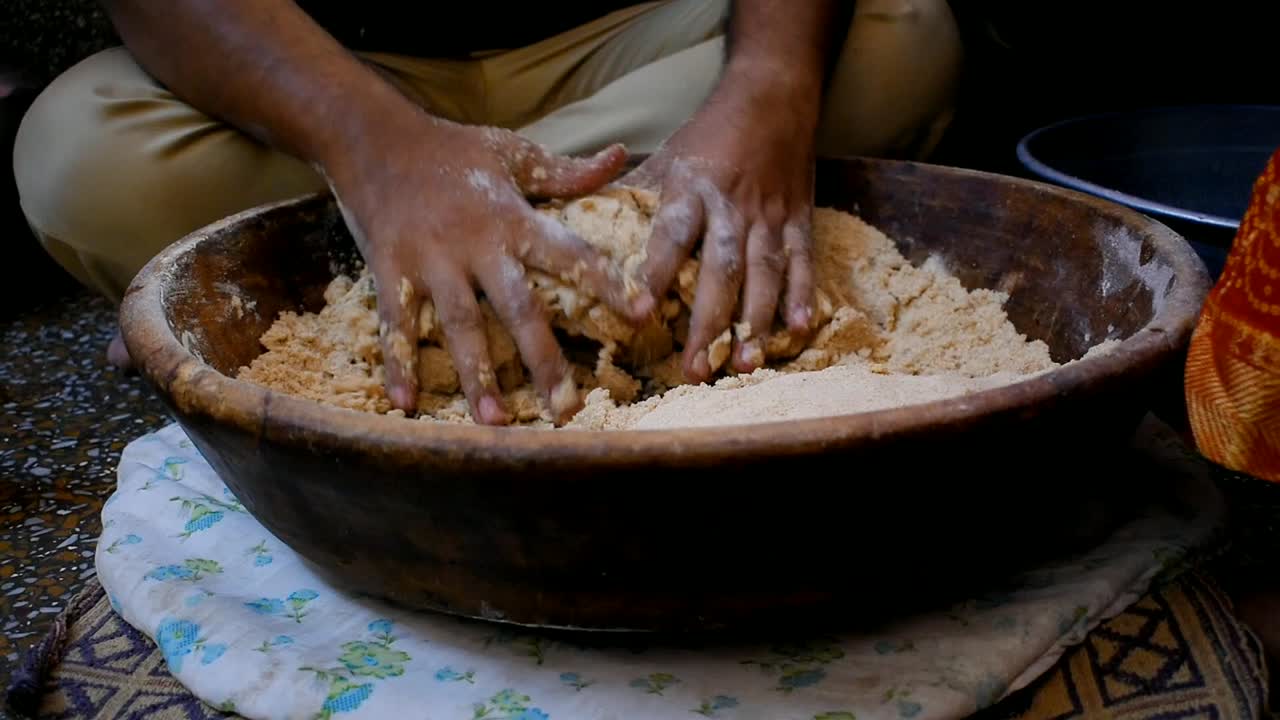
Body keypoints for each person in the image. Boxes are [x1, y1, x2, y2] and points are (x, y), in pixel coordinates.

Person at [13, 0, 963, 425]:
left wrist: (766, 85)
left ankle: (349, 249)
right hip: (327, 70)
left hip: (639, 35)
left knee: (896, 36)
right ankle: (454, 208)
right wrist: (379, 149)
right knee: (80, 158)